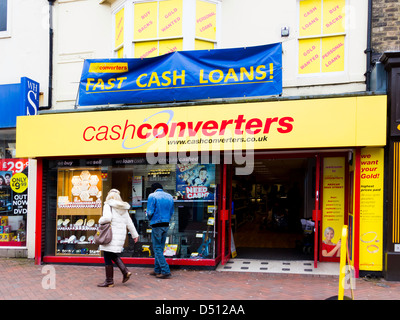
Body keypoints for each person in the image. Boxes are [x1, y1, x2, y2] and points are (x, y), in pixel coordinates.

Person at [97, 189, 139, 288]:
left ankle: (110, 280)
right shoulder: (123, 208)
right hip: (119, 236)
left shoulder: (108, 205)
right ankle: (124, 272)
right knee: (112, 254)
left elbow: (107, 218)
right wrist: (135, 235)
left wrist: (100, 220)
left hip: (109, 235)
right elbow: (129, 222)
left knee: (107, 255)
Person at [146, 183, 174, 279]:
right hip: (166, 224)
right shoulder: (169, 196)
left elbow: (149, 212)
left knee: (157, 248)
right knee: (160, 248)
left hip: (156, 224)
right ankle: (157, 269)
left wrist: (149, 218)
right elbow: (171, 212)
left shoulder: (152, 196)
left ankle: (165, 270)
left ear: (153, 189)